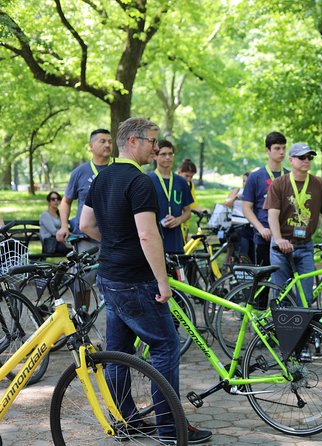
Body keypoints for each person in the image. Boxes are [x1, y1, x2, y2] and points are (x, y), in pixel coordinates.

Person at [79, 117, 212, 444]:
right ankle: (170, 429)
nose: (157, 148)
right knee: (166, 347)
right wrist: (163, 282)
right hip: (138, 281)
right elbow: (148, 235)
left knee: (119, 352)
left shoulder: (102, 176)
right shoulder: (141, 182)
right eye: (152, 141)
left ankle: (125, 418)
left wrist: (113, 244)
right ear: (134, 141)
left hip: (108, 275)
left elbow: (85, 224)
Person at [265, 142, 322, 305]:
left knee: (306, 298)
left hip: (305, 246)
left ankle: (302, 329)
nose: (306, 160)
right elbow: (272, 215)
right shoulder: (279, 184)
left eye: (309, 157)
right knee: (282, 296)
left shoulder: (318, 184)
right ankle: (282, 330)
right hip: (281, 248)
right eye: (302, 157)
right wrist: (278, 239)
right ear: (291, 160)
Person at [56, 128, 112, 308]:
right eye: (102, 141)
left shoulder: (118, 169)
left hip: (113, 237)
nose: (107, 145)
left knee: (115, 283)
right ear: (91, 146)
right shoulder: (80, 172)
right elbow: (65, 202)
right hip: (86, 238)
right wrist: (63, 226)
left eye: (110, 141)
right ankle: (82, 322)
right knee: (81, 284)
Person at [241, 131, 289, 266]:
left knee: (287, 282)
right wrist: (260, 228)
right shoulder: (255, 177)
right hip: (264, 237)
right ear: (267, 151)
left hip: (286, 236)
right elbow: (246, 208)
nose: (282, 152)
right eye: (277, 148)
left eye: (284, 148)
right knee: (264, 283)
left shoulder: (289, 176)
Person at [148, 140, 193, 254]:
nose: (168, 157)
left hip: (176, 241)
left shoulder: (181, 182)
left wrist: (178, 220)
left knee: (177, 272)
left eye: (170, 154)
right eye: (163, 154)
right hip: (154, 239)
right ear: (155, 156)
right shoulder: (147, 180)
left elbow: (188, 212)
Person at [223, 172, 254, 262]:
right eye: (243, 181)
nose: (245, 183)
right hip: (236, 224)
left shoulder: (254, 193)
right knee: (241, 246)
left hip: (248, 224)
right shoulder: (236, 191)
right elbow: (226, 204)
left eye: (247, 181)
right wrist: (235, 198)